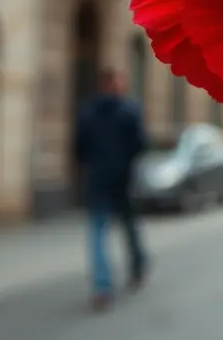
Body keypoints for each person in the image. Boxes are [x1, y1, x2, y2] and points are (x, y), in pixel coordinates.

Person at [73, 68, 149, 311]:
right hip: (122, 180)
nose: (122, 86)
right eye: (120, 82)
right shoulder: (129, 111)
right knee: (128, 227)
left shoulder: (87, 112)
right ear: (113, 85)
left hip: (97, 180)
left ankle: (103, 287)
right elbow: (140, 144)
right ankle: (137, 265)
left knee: (98, 233)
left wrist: (91, 165)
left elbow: (79, 148)